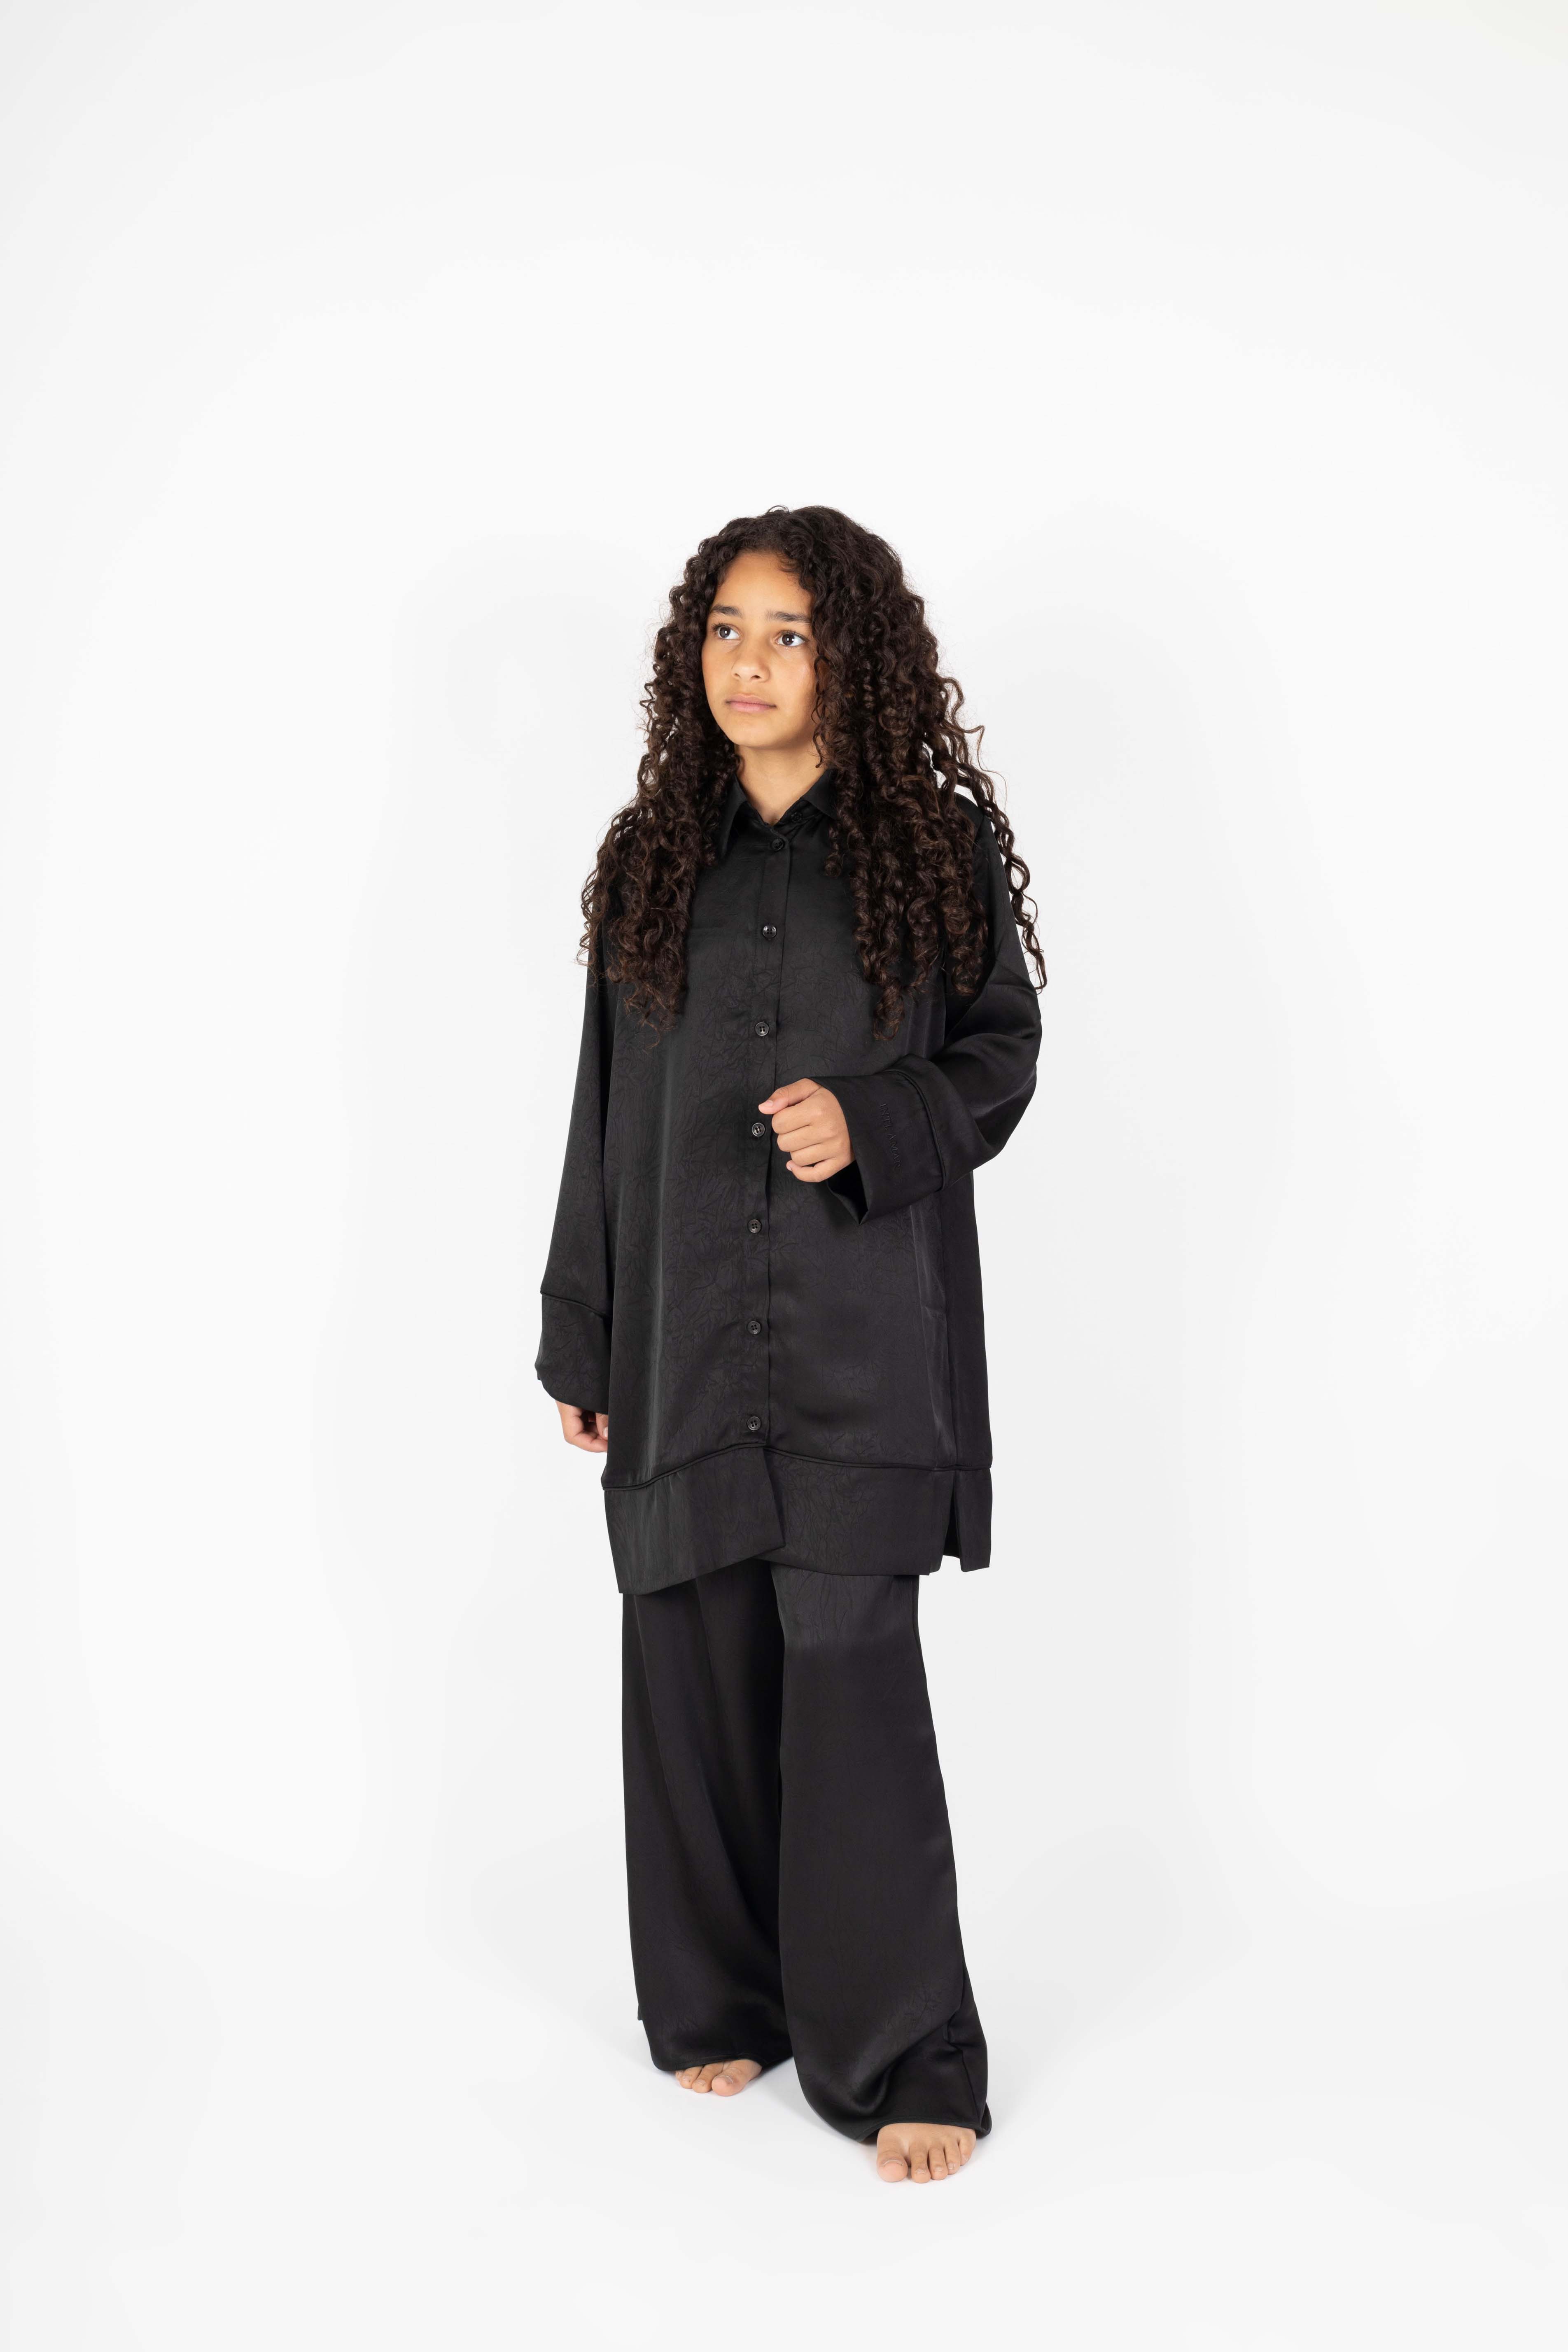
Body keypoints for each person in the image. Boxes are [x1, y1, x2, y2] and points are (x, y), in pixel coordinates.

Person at [537, 504, 1045, 2183]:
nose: (749, 664)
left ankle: (906, 2052)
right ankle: (719, 2000)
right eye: (727, 630)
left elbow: (999, 1053)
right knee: (687, 1651)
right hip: (683, 1328)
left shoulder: (930, 847)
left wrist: (877, 1119)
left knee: (845, 1665)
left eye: (790, 634)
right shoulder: (653, 855)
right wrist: (585, 1327)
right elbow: (605, 1109)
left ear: (853, 660)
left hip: (860, 1334)